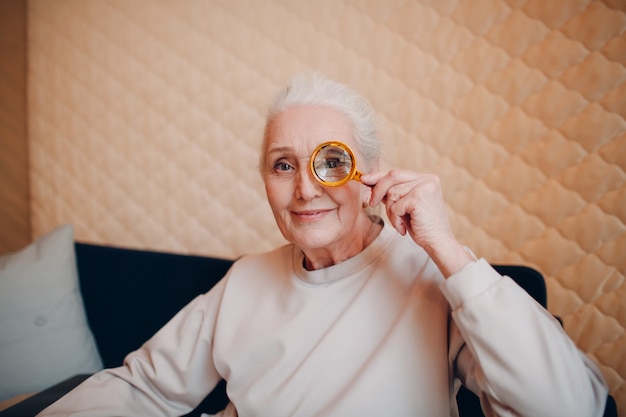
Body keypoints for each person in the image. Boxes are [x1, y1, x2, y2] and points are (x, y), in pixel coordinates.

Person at [38, 74, 608, 417]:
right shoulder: (246, 279)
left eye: (330, 161)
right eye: (283, 165)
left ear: (372, 176)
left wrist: (450, 251)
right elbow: (143, 388)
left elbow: (568, 407)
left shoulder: (434, 280)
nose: (306, 186)